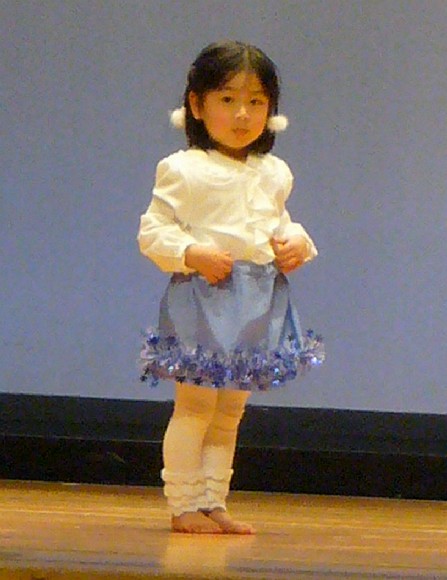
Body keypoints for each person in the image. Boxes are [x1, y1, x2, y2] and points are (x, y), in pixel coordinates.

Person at [137, 41, 324, 534]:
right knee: (195, 406)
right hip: (205, 296)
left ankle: (213, 499)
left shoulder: (273, 173)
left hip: (257, 299)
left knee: (230, 411)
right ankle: (183, 503)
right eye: (227, 99)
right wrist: (191, 252)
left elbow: (279, 221)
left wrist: (296, 242)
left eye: (256, 101)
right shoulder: (184, 169)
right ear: (196, 105)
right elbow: (153, 231)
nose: (243, 114)